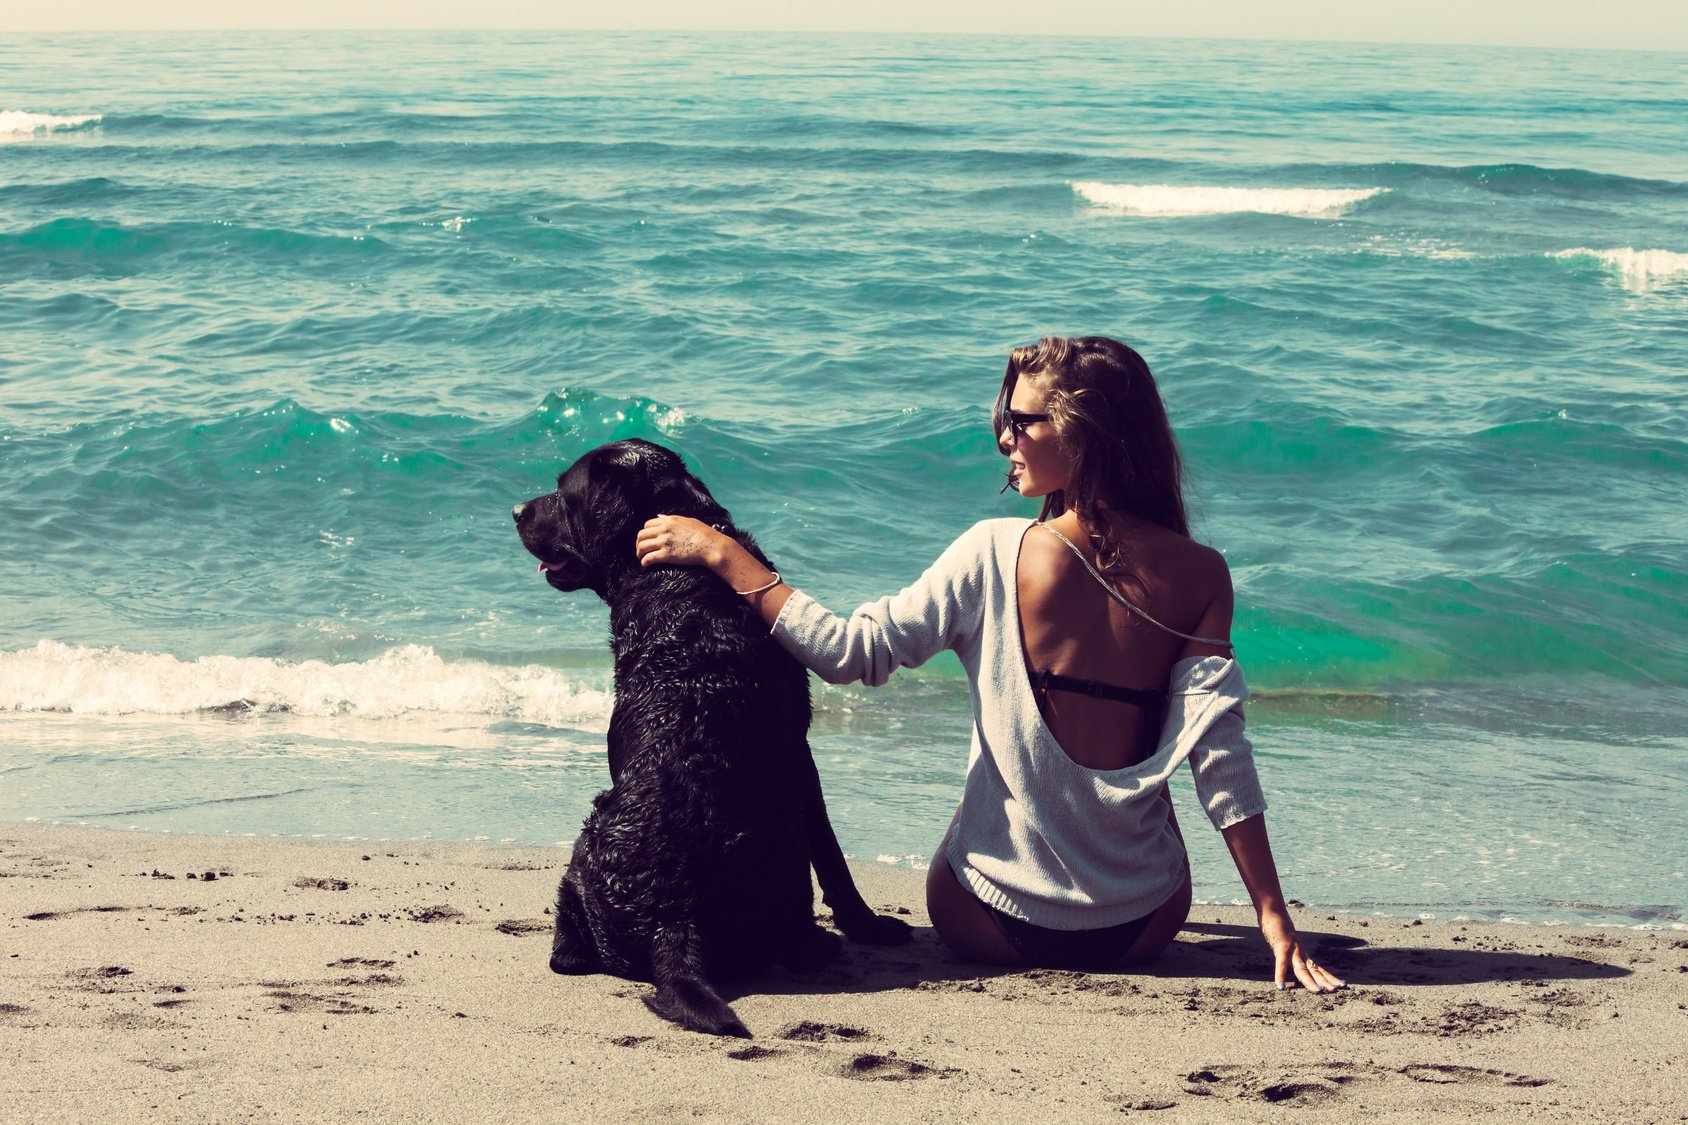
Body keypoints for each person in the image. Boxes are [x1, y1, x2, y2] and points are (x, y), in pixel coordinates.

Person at [634, 335, 1345, 992]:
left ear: (1085, 432)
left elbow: (851, 653)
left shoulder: (992, 551)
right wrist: (1272, 917)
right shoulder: (1202, 574)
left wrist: (723, 554)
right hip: (1144, 925)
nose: (1004, 435)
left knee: (973, 818)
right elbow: (1219, 756)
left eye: (1021, 418)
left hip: (988, 923)